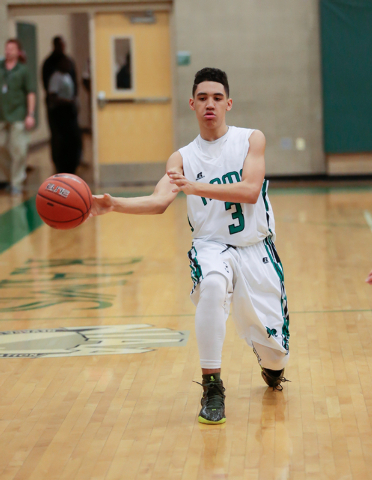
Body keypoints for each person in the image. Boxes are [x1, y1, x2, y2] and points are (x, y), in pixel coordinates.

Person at [90, 68, 290, 425]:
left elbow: (249, 190)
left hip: (256, 248)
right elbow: (158, 200)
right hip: (211, 246)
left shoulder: (250, 140)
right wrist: (113, 204)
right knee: (212, 286)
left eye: (216, 98)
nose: (209, 104)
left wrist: (196, 187)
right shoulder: (181, 157)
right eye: (202, 98)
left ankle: (271, 365)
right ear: (192, 104)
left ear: (228, 103)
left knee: (276, 356)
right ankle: (212, 385)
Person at [0, 39, 36, 194]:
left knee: (19, 150)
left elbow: (30, 93)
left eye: (12, 49)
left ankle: (17, 182)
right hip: (2, 115)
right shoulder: (1, 69)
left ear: (18, 52)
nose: (8, 52)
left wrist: (30, 114)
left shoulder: (23, 71)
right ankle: (8, 177)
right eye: (7, 49)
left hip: (18, 115)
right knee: (1, 147)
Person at [47, 55, 82, 174]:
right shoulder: (55, 77)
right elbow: (52, 97)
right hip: (60, 114)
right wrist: (68, 101)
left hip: (70, 112)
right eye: (66, 63)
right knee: (62, 142)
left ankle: (73, 165)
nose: (69, 65)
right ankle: (61, 167)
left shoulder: (67, 76)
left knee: (74, 140)